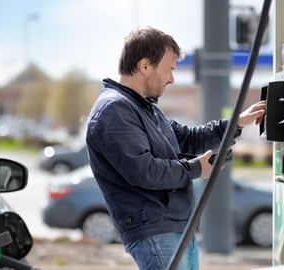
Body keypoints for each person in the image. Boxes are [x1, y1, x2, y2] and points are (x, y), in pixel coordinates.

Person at [85, 26, 266, 270]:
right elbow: (144, 171)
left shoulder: (144, 108)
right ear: (145, 66)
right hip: (156, 231)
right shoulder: (114, 111)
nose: (172, 78)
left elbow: (189, 138)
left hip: (176, 226)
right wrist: (195, 169)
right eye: (169, 69)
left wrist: (237, 123)